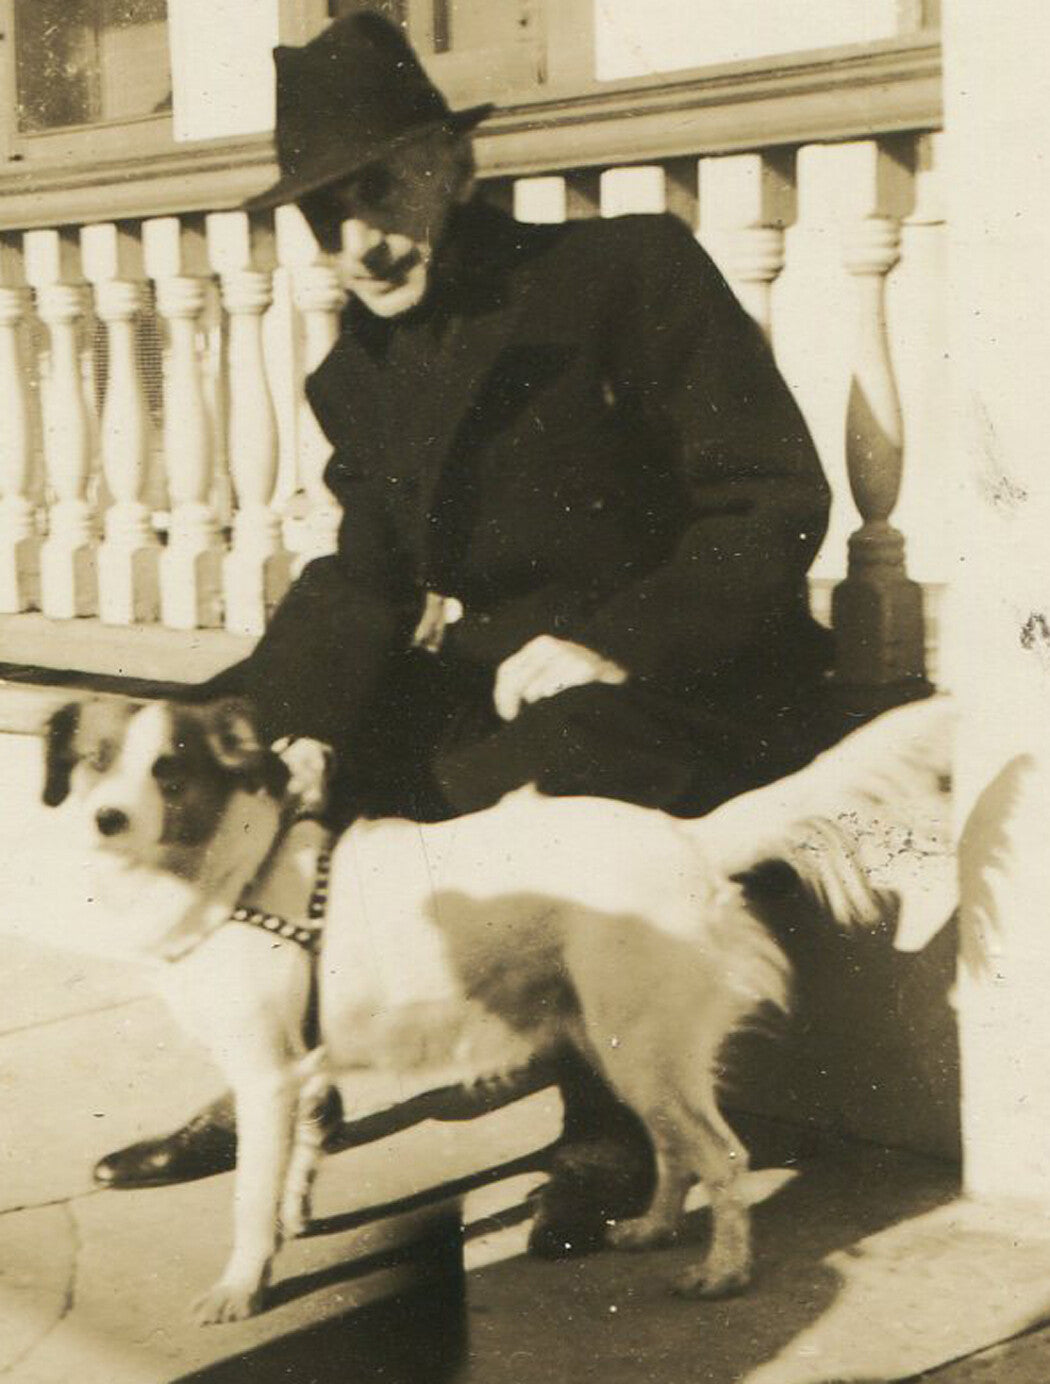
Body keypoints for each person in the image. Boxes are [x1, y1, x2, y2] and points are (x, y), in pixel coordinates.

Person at [93, 12, 834, 1257]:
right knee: (261, 745)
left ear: (453, 160)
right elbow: (366, 581)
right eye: (325, 214)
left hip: (686, 674)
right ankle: (271, 1064)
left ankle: (603, 1124)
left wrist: (617, 640)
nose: (360, 241)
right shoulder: (364, 369)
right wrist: (292, 727)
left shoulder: (624, 273)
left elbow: (766, 500)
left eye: (380, 190)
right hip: (511, 683)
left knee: (564, 756)